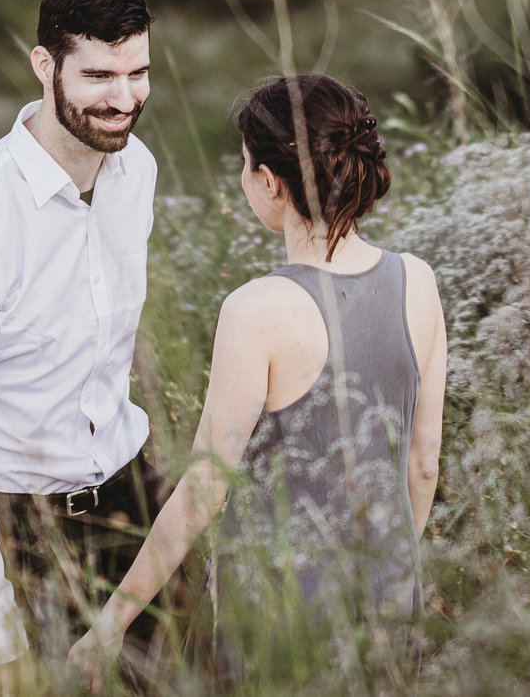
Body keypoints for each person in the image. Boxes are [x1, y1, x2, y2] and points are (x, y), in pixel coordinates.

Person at [69, 73, 447, 681]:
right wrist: (392, 570)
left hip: (276, 619)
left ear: (270, 183)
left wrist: (109, 625)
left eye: (246, 167)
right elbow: (423, 461)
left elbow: (202, 490)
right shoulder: (418, 282)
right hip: (387, 604)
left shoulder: (256, 309)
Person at [0, 0, 162, 674]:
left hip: (133, 493)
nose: (124, 98)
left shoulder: (135, 169)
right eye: (98, 77)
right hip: (29, 527)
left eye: (137, 72)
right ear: (44, 65)